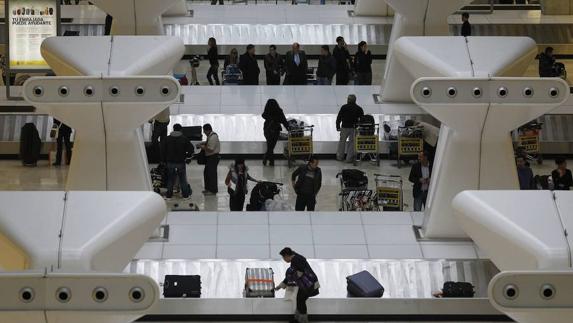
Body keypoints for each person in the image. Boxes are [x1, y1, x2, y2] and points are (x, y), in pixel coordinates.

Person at [275, 247, 319, 323]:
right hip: (308, 284)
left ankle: (303, 320)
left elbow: (297, 273)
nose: (284, 259)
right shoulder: (296, 258)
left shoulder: (296, 260)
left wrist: (283, 284)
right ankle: (298, 318)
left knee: (300, 300)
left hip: (309, 285)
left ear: (287, 256)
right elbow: (292, 275)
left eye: (283, 257)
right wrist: (281, 285)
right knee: (299, 300)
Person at [161, 124, 193, 199]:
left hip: (170, 162)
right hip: (181, 162)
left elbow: (162, 150)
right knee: (182, 179)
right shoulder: (184, 138)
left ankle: (169, 195)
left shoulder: (167, 139)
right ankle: (185, 195)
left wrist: (163, 160)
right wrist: (187, 156)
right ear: (181, 130)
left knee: (170, 179)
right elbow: (191, 149)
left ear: (173, 129)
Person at [335, 94, 364, 162]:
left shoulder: (344, 107)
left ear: (348, 100)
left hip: (344, 127)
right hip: (354, 128)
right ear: (355, 100)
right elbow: (362, 119)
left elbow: (339, 117)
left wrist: (338, 126)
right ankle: (349, 159)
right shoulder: (359, 108)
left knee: (342, 143)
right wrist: (358, 125)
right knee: (352, 143)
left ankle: (340, 157)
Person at [262, 99, 289, 166]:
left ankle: (268, 159)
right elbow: (284, 121)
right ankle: (270, 161)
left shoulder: (267, 111)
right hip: (275, 131)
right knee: (271, 146)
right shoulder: (279, 112)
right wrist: (289, 128)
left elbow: (263, 115)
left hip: (267, 130)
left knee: (270, 146)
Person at [198, 124, 220, 195]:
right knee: (207, 173)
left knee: (212, 174)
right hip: (210, 158)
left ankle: (213, 191)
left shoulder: (213, 136)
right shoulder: (210, 136)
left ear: (207, 130)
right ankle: (208, 189)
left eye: (204, 131)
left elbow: (210, 149)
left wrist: (201, 147)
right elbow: (208, 143)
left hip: (213, 157)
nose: (203, 132)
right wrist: (203, 143)